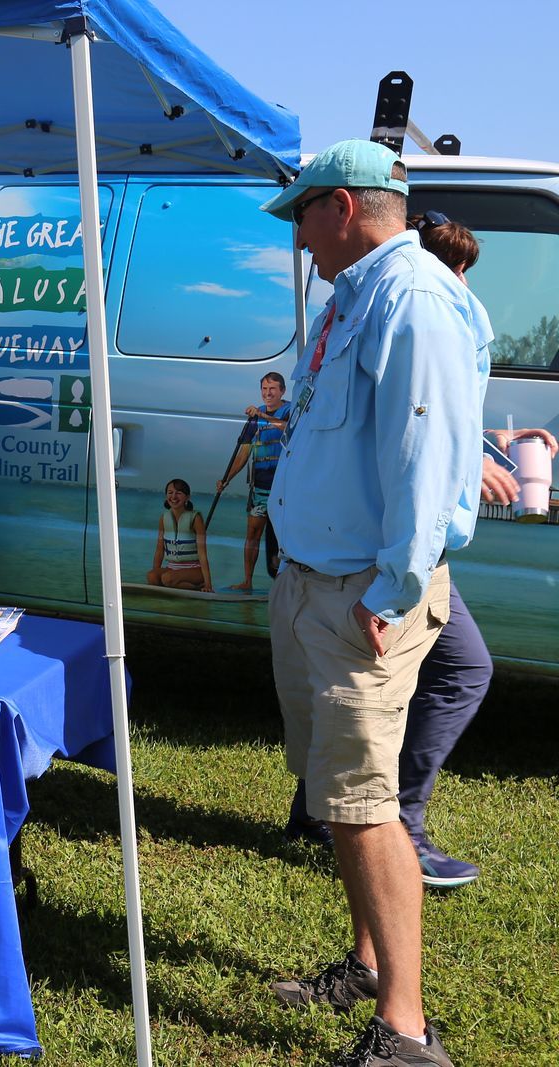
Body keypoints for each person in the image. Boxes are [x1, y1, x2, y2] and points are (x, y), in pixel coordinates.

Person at [258, 140, 489, 1066]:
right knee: (337, 793)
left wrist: (393, 591)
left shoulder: (413, 300)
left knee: (362, 801)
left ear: (343, 207)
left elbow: (426, 465)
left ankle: (405, 1031)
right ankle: (365, 963)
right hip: (321, 581)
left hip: (365, 597)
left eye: (304, 216)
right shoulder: (358, 296)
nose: (299, 238)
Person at [283, 213, 556, 892]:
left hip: (384, 552)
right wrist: (396, 585)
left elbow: (429, 424)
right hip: (385, 552)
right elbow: (410, 445)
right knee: (456, 670)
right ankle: (390, 820)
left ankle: (334, 813)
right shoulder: (416, 304)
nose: (463, 286)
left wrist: (491, 449)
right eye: (456, 271)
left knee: (384, 689)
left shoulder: (406, 305)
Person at [216, 372, 290, 591]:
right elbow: (244, 453)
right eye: (264, 389)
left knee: (282, 539)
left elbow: (288, 429)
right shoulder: (254, 419)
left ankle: (283, 585)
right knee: (253, 534)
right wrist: (226, 479)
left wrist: (262, 415)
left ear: (282, 391)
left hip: (283, 489)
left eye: (273, 389)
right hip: (260, 487)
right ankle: (247, 581)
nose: (268, 394)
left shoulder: (290, 410)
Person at [145, 478, 212, 591]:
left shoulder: (196, 519)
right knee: (151, 576)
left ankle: (198, 586)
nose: (174, 497)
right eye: (170, 493)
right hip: (172, 569)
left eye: (179, 493)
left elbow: (202, 554)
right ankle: (175, 584)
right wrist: (156, 578)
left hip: (194, 571)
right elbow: (159, 550)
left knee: (167, 579)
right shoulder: (164, 518)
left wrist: (208, 584)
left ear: (187, 497)